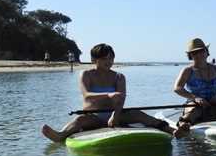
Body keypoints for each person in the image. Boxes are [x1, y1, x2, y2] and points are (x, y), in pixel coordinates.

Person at [41, 43, 177, 143]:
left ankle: (172, 130)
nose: (109, 62)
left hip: (115, 114)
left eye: (111, 58)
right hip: (93, 116)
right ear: (95, 60)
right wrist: (108, 95)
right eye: (105, 59)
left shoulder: (119, 76)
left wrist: (115, 116)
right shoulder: (86, 74)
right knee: (79, 120)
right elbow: (87, 95)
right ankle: (60, 135)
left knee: (138, 114)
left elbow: (121, 98)